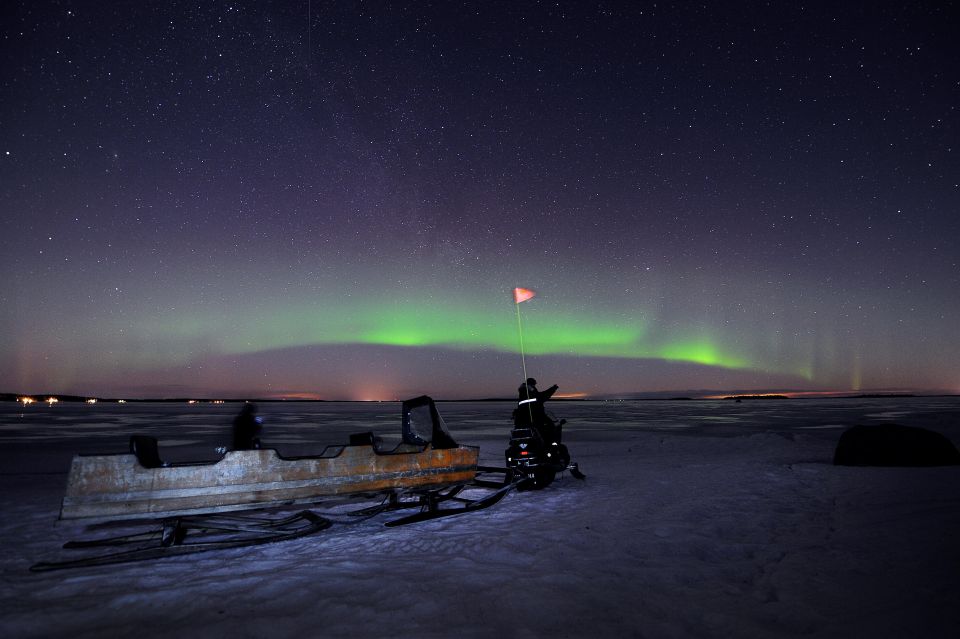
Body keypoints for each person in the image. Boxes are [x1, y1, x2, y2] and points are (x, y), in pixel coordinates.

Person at [515, 378, 559, 442]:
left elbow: (540, 396)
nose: (535, 385)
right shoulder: (530, 391)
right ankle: (550, 443)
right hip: (535, 415)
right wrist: (552, 389)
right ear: (532, 383)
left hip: (524, 417)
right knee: (550, 426)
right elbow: (541, 397)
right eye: (534, 384)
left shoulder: (524, 391)